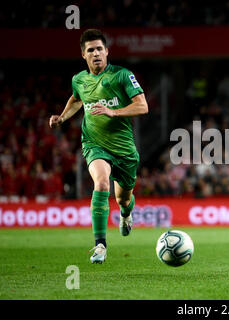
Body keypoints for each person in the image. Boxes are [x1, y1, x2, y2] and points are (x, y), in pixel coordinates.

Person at [49, 29, 148, 263]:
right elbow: (76, 99)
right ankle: (100, 245)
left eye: (99, 49)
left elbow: (142, 106)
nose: (96, 53)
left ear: (107, 52)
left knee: (123, 198)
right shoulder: (79, 80)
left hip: (124, 149)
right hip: (94, 143)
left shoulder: (122, 76)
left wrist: (113, 111)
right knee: (101, 183)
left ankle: (125, 213)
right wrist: (62, 117)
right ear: (83, 55)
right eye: (90, 50)